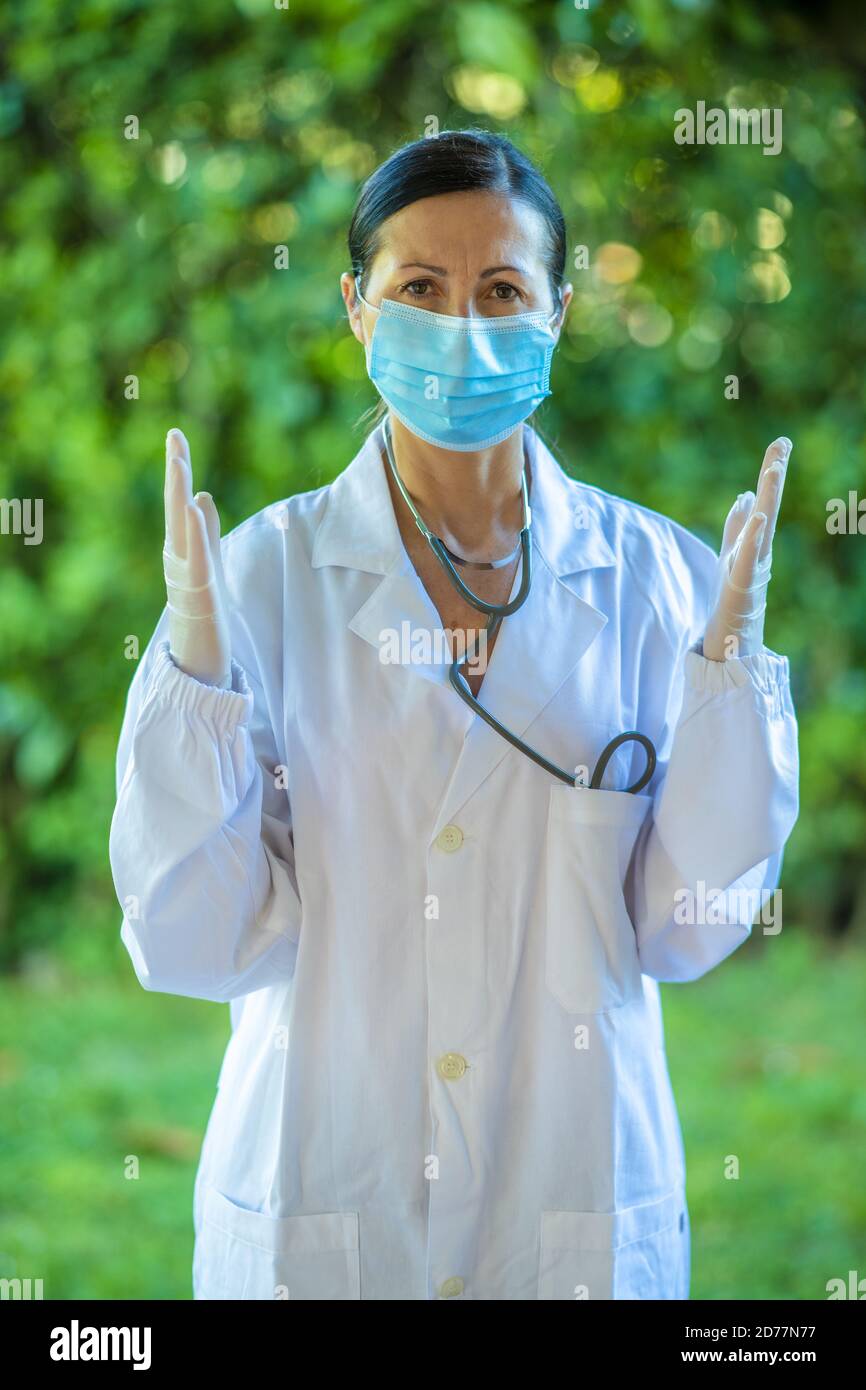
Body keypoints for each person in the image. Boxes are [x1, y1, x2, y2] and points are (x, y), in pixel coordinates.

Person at [109, 129, 799, 1300]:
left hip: (569, 1211)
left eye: (500, 290)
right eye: (418, 289)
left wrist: (726, 676)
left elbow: (685, 931)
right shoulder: (253, 586)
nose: (461, 326)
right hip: (326, 1205)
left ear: (557, 312)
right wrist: (195, 681)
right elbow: (189, 942)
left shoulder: (660, 586)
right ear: (355, 307)